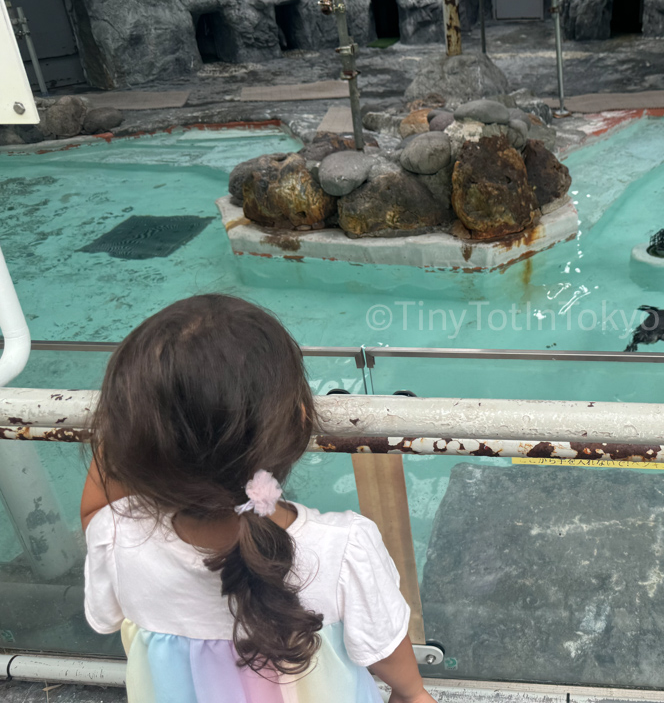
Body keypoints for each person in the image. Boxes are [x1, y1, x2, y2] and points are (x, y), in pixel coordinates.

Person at [81, 294, 437, 703]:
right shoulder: (343, 547)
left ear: (130, 447)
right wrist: (412, 693)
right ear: (301, 420)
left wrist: (125, 430)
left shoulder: (119, 538)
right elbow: (384, 650)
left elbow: (95, 511)